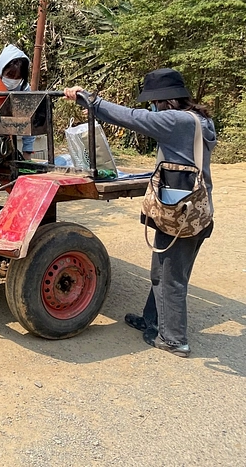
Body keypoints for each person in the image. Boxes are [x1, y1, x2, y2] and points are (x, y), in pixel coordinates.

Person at [64, 68, 216, 358]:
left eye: (155, 102)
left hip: (179, 212)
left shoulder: (176, 121)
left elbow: (132, 118)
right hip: (193, 208)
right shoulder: (200, 119)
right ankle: (153, 320)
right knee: (162, 270)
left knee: (170, 276)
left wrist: (90, 100)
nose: (153, 107)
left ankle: (174, 339)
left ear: (164, 101)